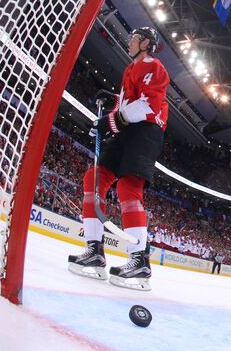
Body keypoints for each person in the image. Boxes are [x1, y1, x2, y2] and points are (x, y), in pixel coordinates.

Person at [68, 27, 169, 291]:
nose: (129, 42)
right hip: (127, 131)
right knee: (95, 178)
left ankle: (139, 260)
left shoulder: (154, 66)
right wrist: (113, 101)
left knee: (128, 187)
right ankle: (94, 250)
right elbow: (129, 104)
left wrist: (110, 121)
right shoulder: (131, 69)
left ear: (145, 43)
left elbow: (149, 106)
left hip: (147, 132)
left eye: (133, 39)